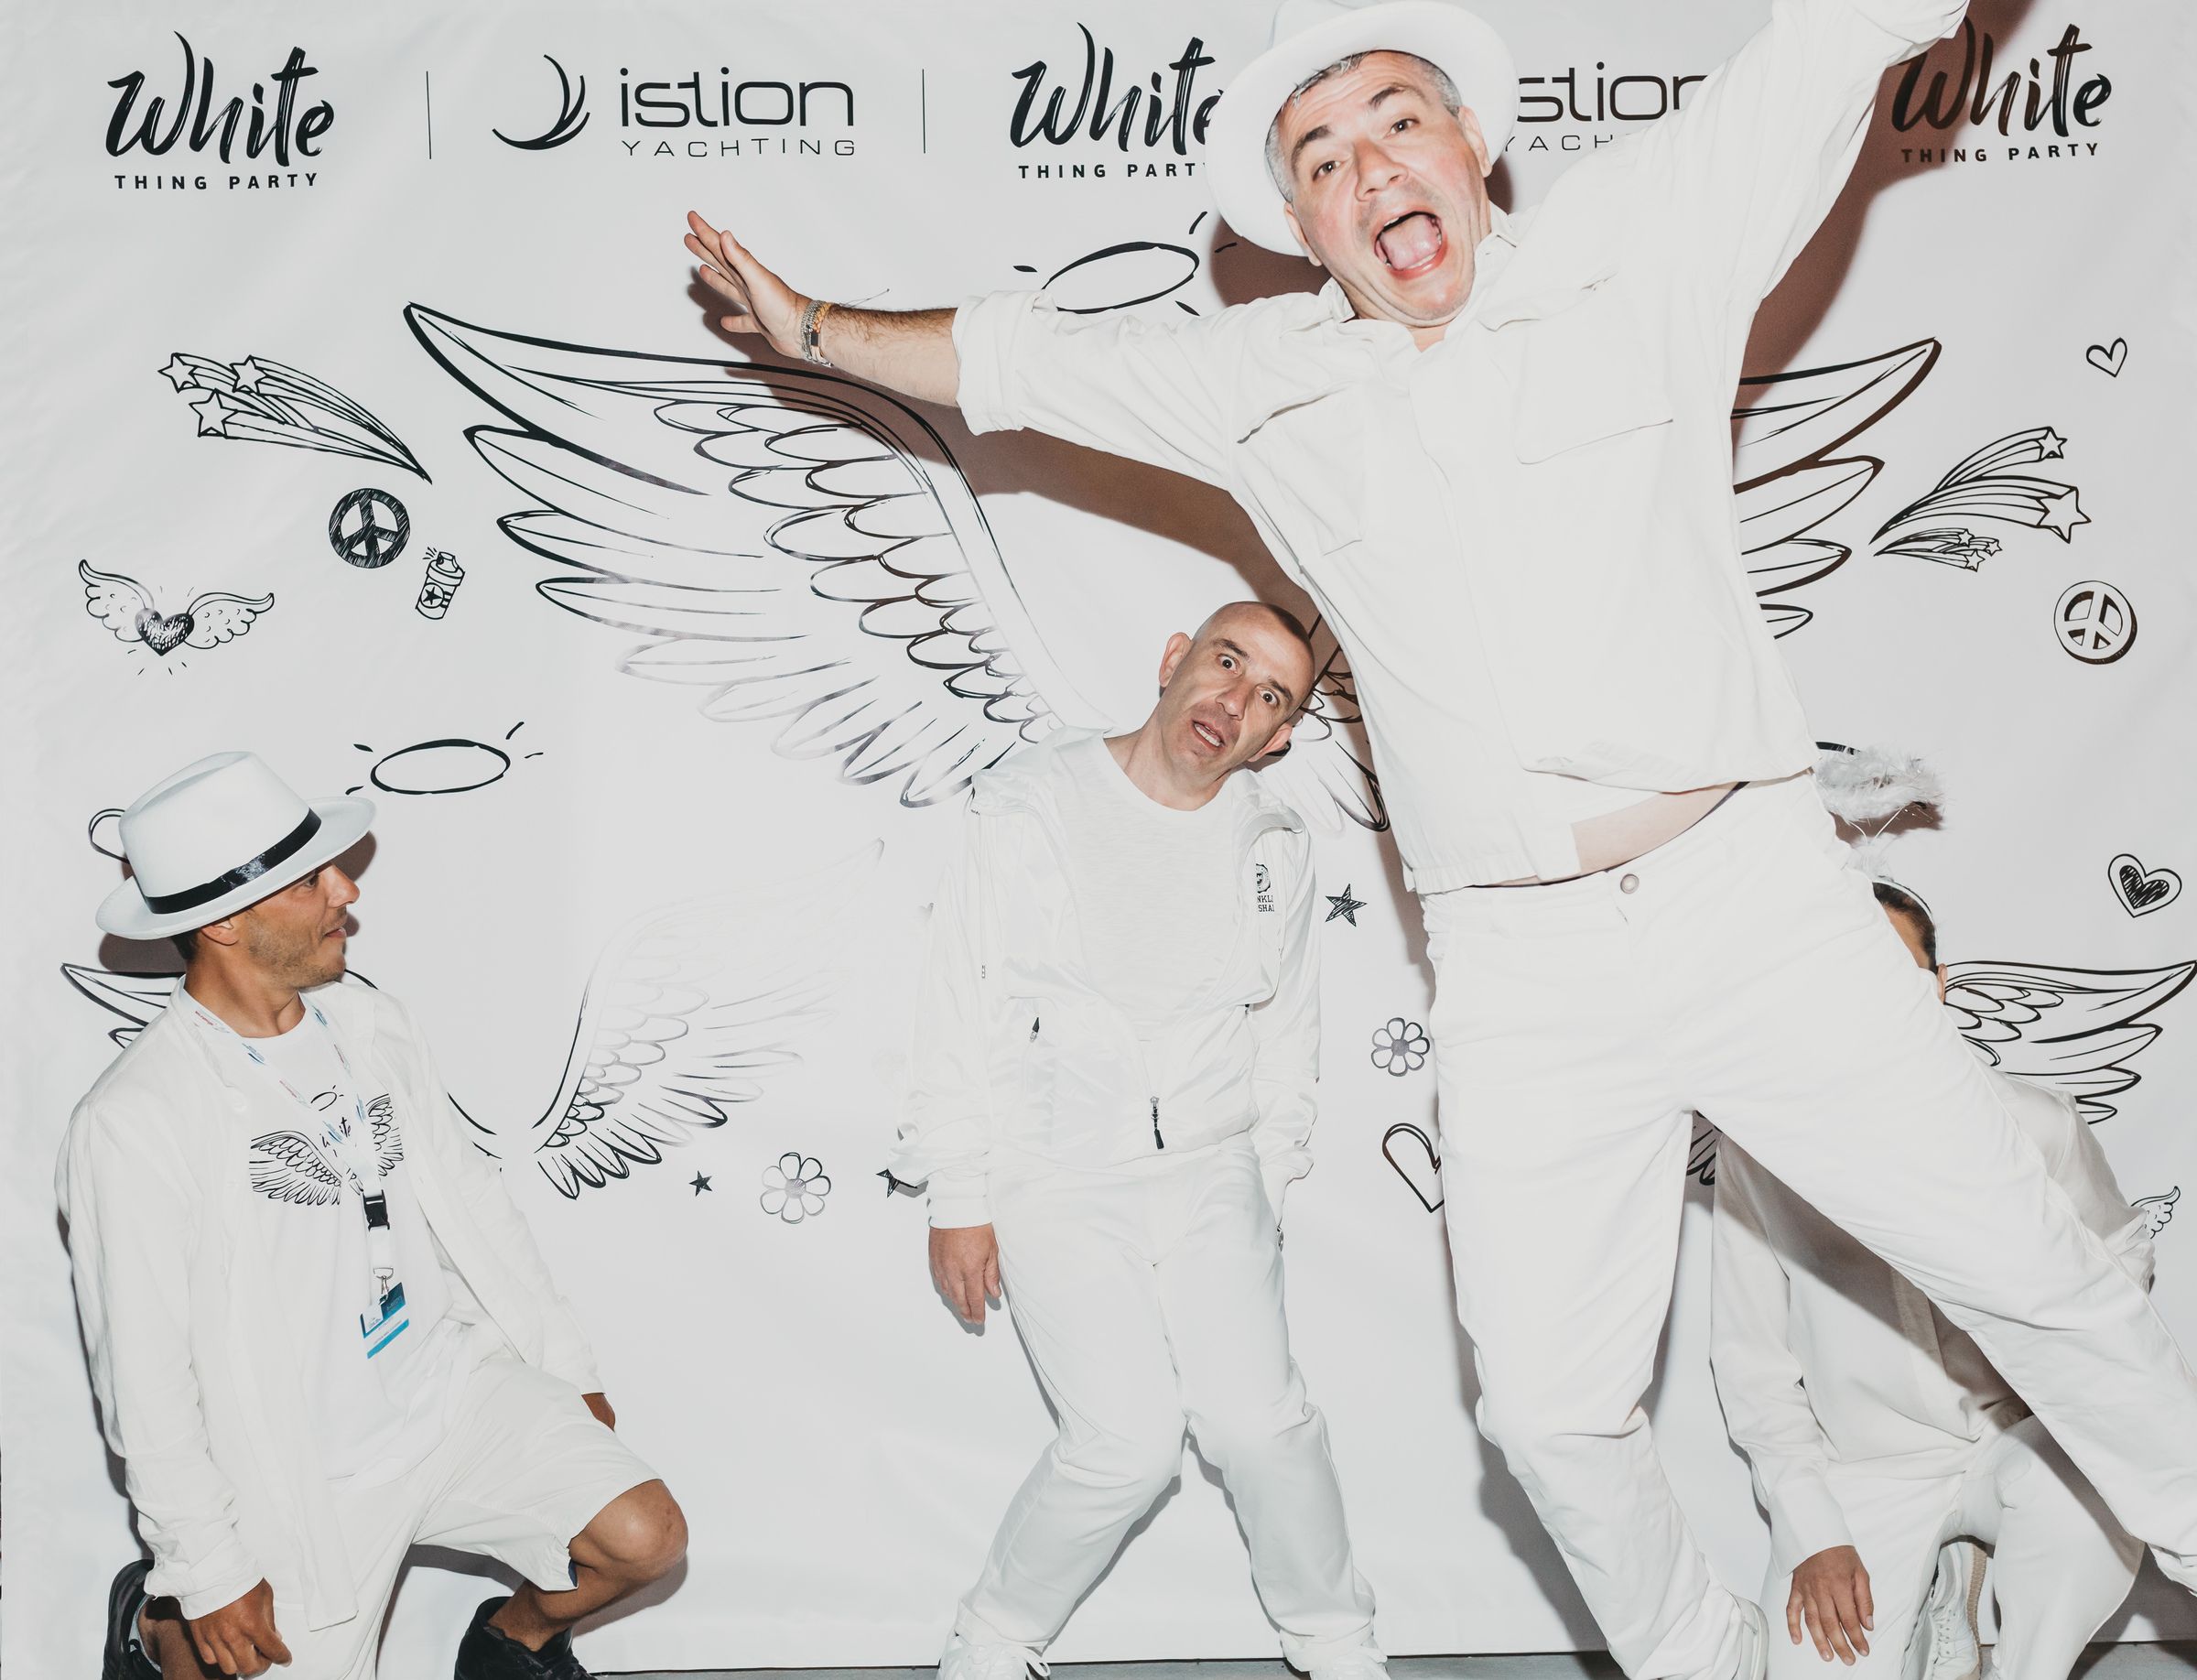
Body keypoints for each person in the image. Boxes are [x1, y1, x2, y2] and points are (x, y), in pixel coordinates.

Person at [674, 0, 2197, 1672]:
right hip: (1519, 962)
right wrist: (809, 324)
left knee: (2046, 1280)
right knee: (1546, 1411)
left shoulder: (1639, 242)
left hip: (1747, 894)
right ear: (1300, 222)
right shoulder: (1259, 382)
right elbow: (1020, 359)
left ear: (1473, 141)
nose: (1372, 169)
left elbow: (1835, 45)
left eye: (1399, 121)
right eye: (1322, 160)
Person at [66, 752, 686, 1680]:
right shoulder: (138, 1117)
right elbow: (142, 1373)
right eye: (310, 879)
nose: (346, 891)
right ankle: (161, 1628)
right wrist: (205, 1567)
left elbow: (473, 1201)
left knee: (646, 1535)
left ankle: (506, 1644)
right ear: (225, 921)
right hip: (303, 1474)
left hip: (447, 1397)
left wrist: (565, 1365)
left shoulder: (368, 1022)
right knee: (238, 1642)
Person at [889, 604, 1382, 1680]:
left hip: (1215, 1167)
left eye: (1270, 696)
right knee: (1125, 1442)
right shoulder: (1030, 801)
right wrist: (957, 1193)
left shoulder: (1274, 844)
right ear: (1172, 660)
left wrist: (1265, 1180)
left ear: (1279, 738)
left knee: (1262, 1424)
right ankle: (993, 1639)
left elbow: (1287, 1036)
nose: (1234, 700)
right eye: (1226, 661)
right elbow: (955, 1001)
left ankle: (1337, 1642)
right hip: (1055, 1168)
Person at [1713, 881, 2148, 1680]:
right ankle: (1943, 1587)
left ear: (1939, 986)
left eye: (1893, 968)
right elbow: (1752, 1368)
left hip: (2022, 1438)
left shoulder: (2034, 1124)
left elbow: (2120, 1255)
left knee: (2094, 1484)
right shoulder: (1759, 1152)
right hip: (1867, 1468)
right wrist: (1814, 1531)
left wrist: (2075, 1390)